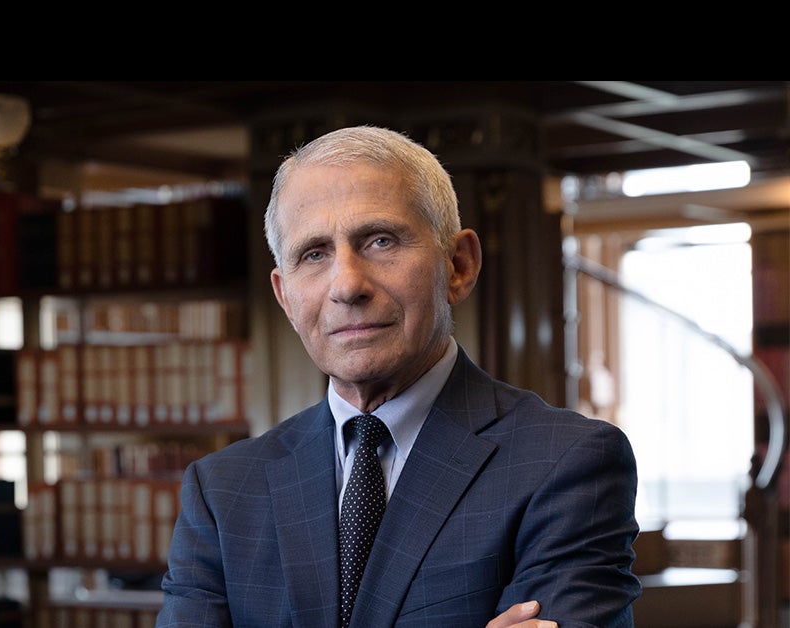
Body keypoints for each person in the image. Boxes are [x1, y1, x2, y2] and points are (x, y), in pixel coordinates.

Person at [156, 125, 641, 627]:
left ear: (458, 266)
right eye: (314, 254)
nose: (346, 285)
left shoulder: (566, 464)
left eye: (380, 241)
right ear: (285, 295)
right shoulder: (222, 491)